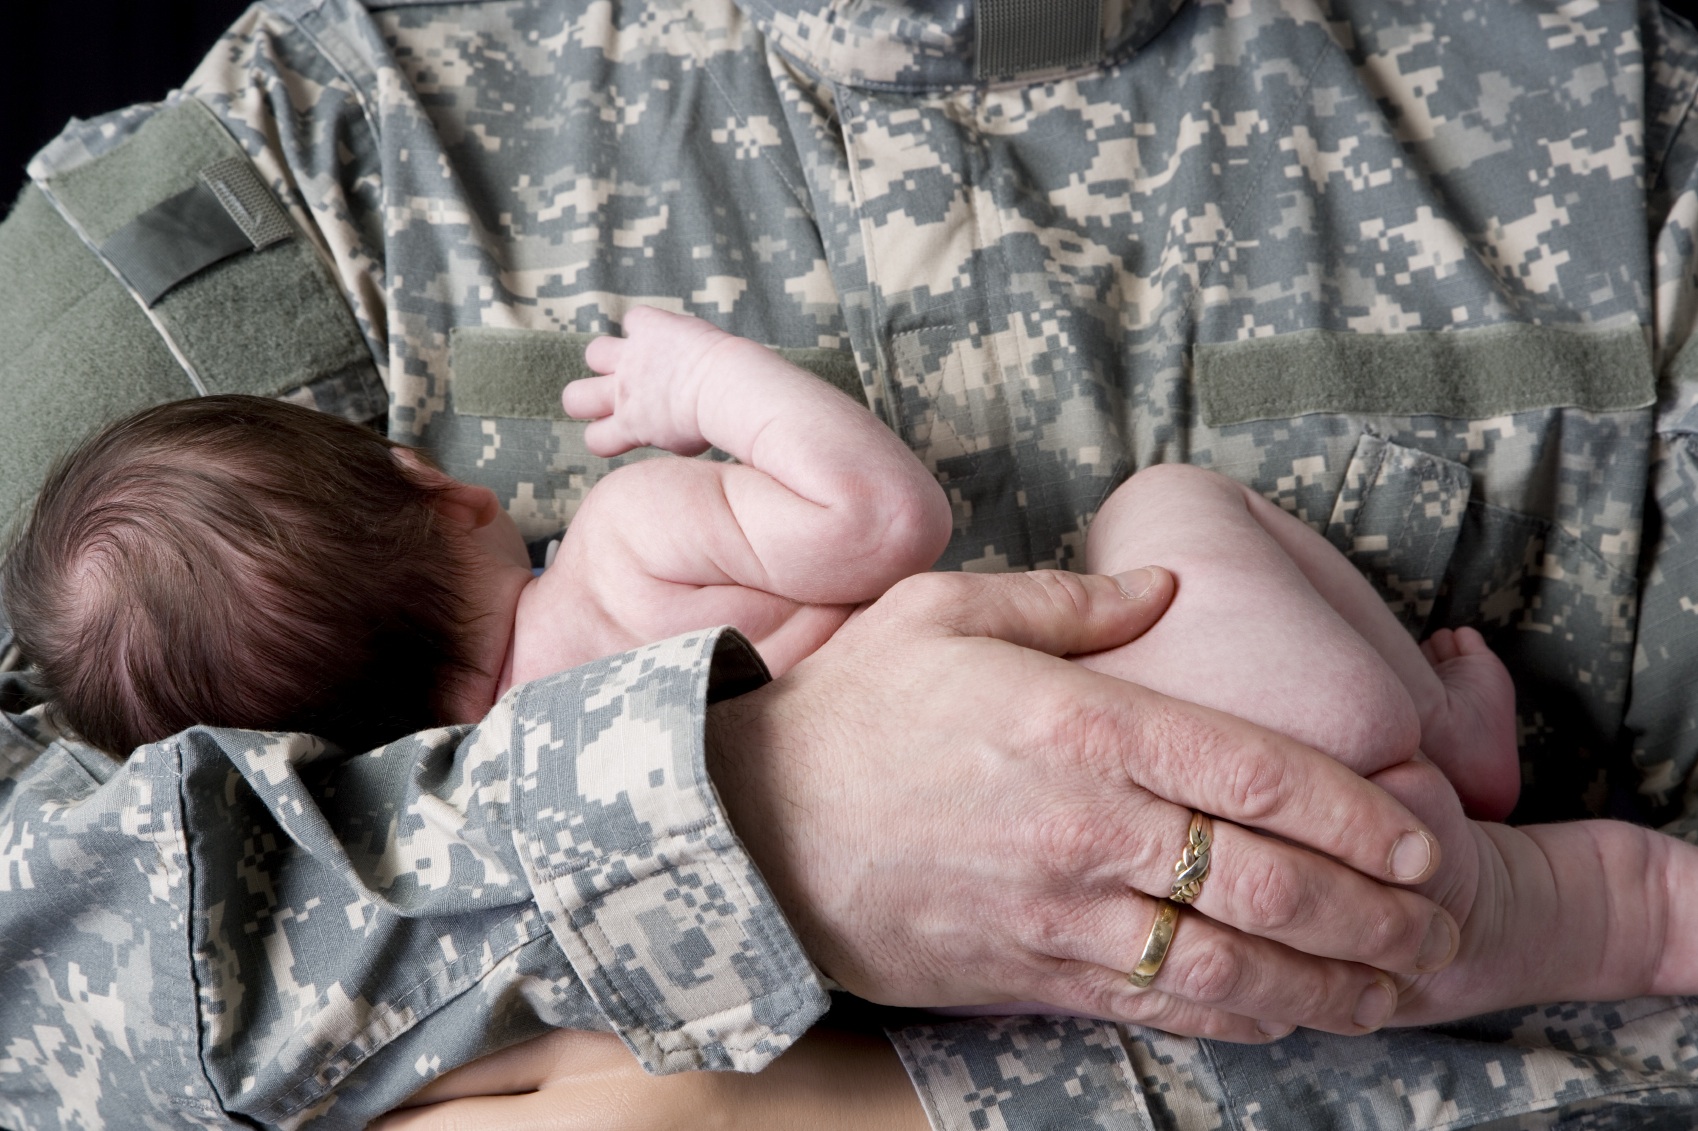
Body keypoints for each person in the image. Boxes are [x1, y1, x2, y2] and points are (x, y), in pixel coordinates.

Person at [3, 2, 1698, 1130]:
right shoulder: (308, 159)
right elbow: (876, 520)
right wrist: (691, 422)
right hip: (1227, 712)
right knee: (1169, 513)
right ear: (442, 498)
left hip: (1294, 939)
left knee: (1560, 910)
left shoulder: (1623, 100)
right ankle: (1455, 754)